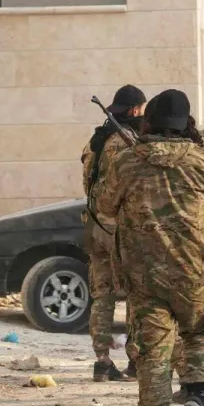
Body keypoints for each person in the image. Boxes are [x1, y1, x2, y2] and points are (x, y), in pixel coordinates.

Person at [98, 89, 204, 406]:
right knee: (202, 332)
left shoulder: (128, 162)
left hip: (144, 274)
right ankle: (197, 393)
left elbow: (103, 204)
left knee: (153, 352)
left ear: (150, 121)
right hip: (196, 269)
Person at [82, 85, 146, 382]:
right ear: (135, 110)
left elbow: (88, 185)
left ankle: (102, 360)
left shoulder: (94, 142)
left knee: (102, 295)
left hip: (96, 225)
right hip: (123, 227)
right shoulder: (129, 143)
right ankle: (136, 359)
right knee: (136, 293)